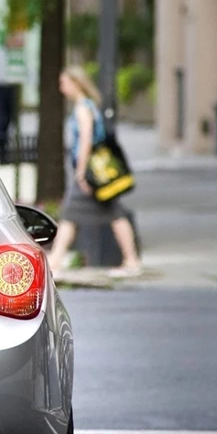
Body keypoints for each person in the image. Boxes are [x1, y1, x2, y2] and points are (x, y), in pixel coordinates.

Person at [47, 65, 143, 278]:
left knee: (71, 214)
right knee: (111, 213)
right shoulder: (89, 106)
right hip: (95, 172)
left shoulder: (83, 108)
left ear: (75, 83)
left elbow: (86, 140)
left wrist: (81, 172)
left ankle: (56, 259)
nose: (62, 88)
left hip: (90, 173)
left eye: (64, 83)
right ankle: (131, 259)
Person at [0, 42, 23, 164]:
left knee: (9, 119)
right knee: (1, 120)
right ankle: (1, 149)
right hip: (0, 87)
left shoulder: (17, 54)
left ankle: (4, 147)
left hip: (12, 87)